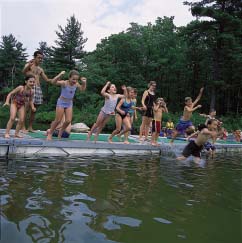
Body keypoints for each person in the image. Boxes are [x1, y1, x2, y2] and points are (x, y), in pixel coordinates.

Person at [47, 70, 87, 140]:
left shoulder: (76, 84)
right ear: (69, 78)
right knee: (58, 120)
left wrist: (84, 83)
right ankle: (50, 133)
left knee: (68, 121)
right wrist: (60, 74)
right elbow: (53, 82)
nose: (75, 81)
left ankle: (61, 132)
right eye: (73, 79)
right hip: (61, 102)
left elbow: (82, 89)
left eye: (76, 79)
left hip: (69, 103)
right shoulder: (64, 83)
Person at [22, 50, 54, 132]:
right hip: (30, 88)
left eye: (41, 58)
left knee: (34, 109)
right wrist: (28, 65)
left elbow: (47, 79)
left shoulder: (40, 69)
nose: (40, 59)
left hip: (38, 89)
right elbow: (23, 72)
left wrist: (56, 79)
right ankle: (22, 127)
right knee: (26, 108)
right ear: (35, 57)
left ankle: (30, 127)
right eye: (39, 58)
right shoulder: (29, 65)